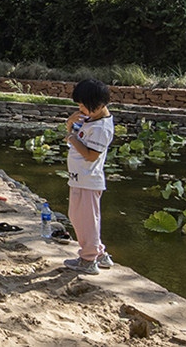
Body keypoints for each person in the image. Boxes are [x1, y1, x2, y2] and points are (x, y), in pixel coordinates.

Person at [65, 78, 116, 274]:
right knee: (81, 217)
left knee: (84, 220)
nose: (81, 109)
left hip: (88, 180)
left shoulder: (101, 128)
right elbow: (74, 139)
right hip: (80, 178)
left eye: (83, 105)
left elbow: (90, 155)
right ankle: (100, 254)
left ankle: (88, 259)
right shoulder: (91, 120)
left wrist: (71, 138)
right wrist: (70, 124)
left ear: (99, 105)